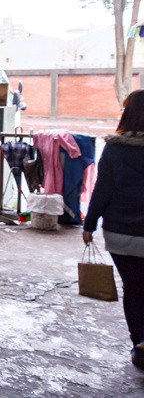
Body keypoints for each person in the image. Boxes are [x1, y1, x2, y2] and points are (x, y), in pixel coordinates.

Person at [83, 89, 144, 370]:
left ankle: (140, 345)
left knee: (134, 288)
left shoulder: (116, 148)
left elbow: (103, 189)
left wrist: (89, 223)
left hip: (121, 235)